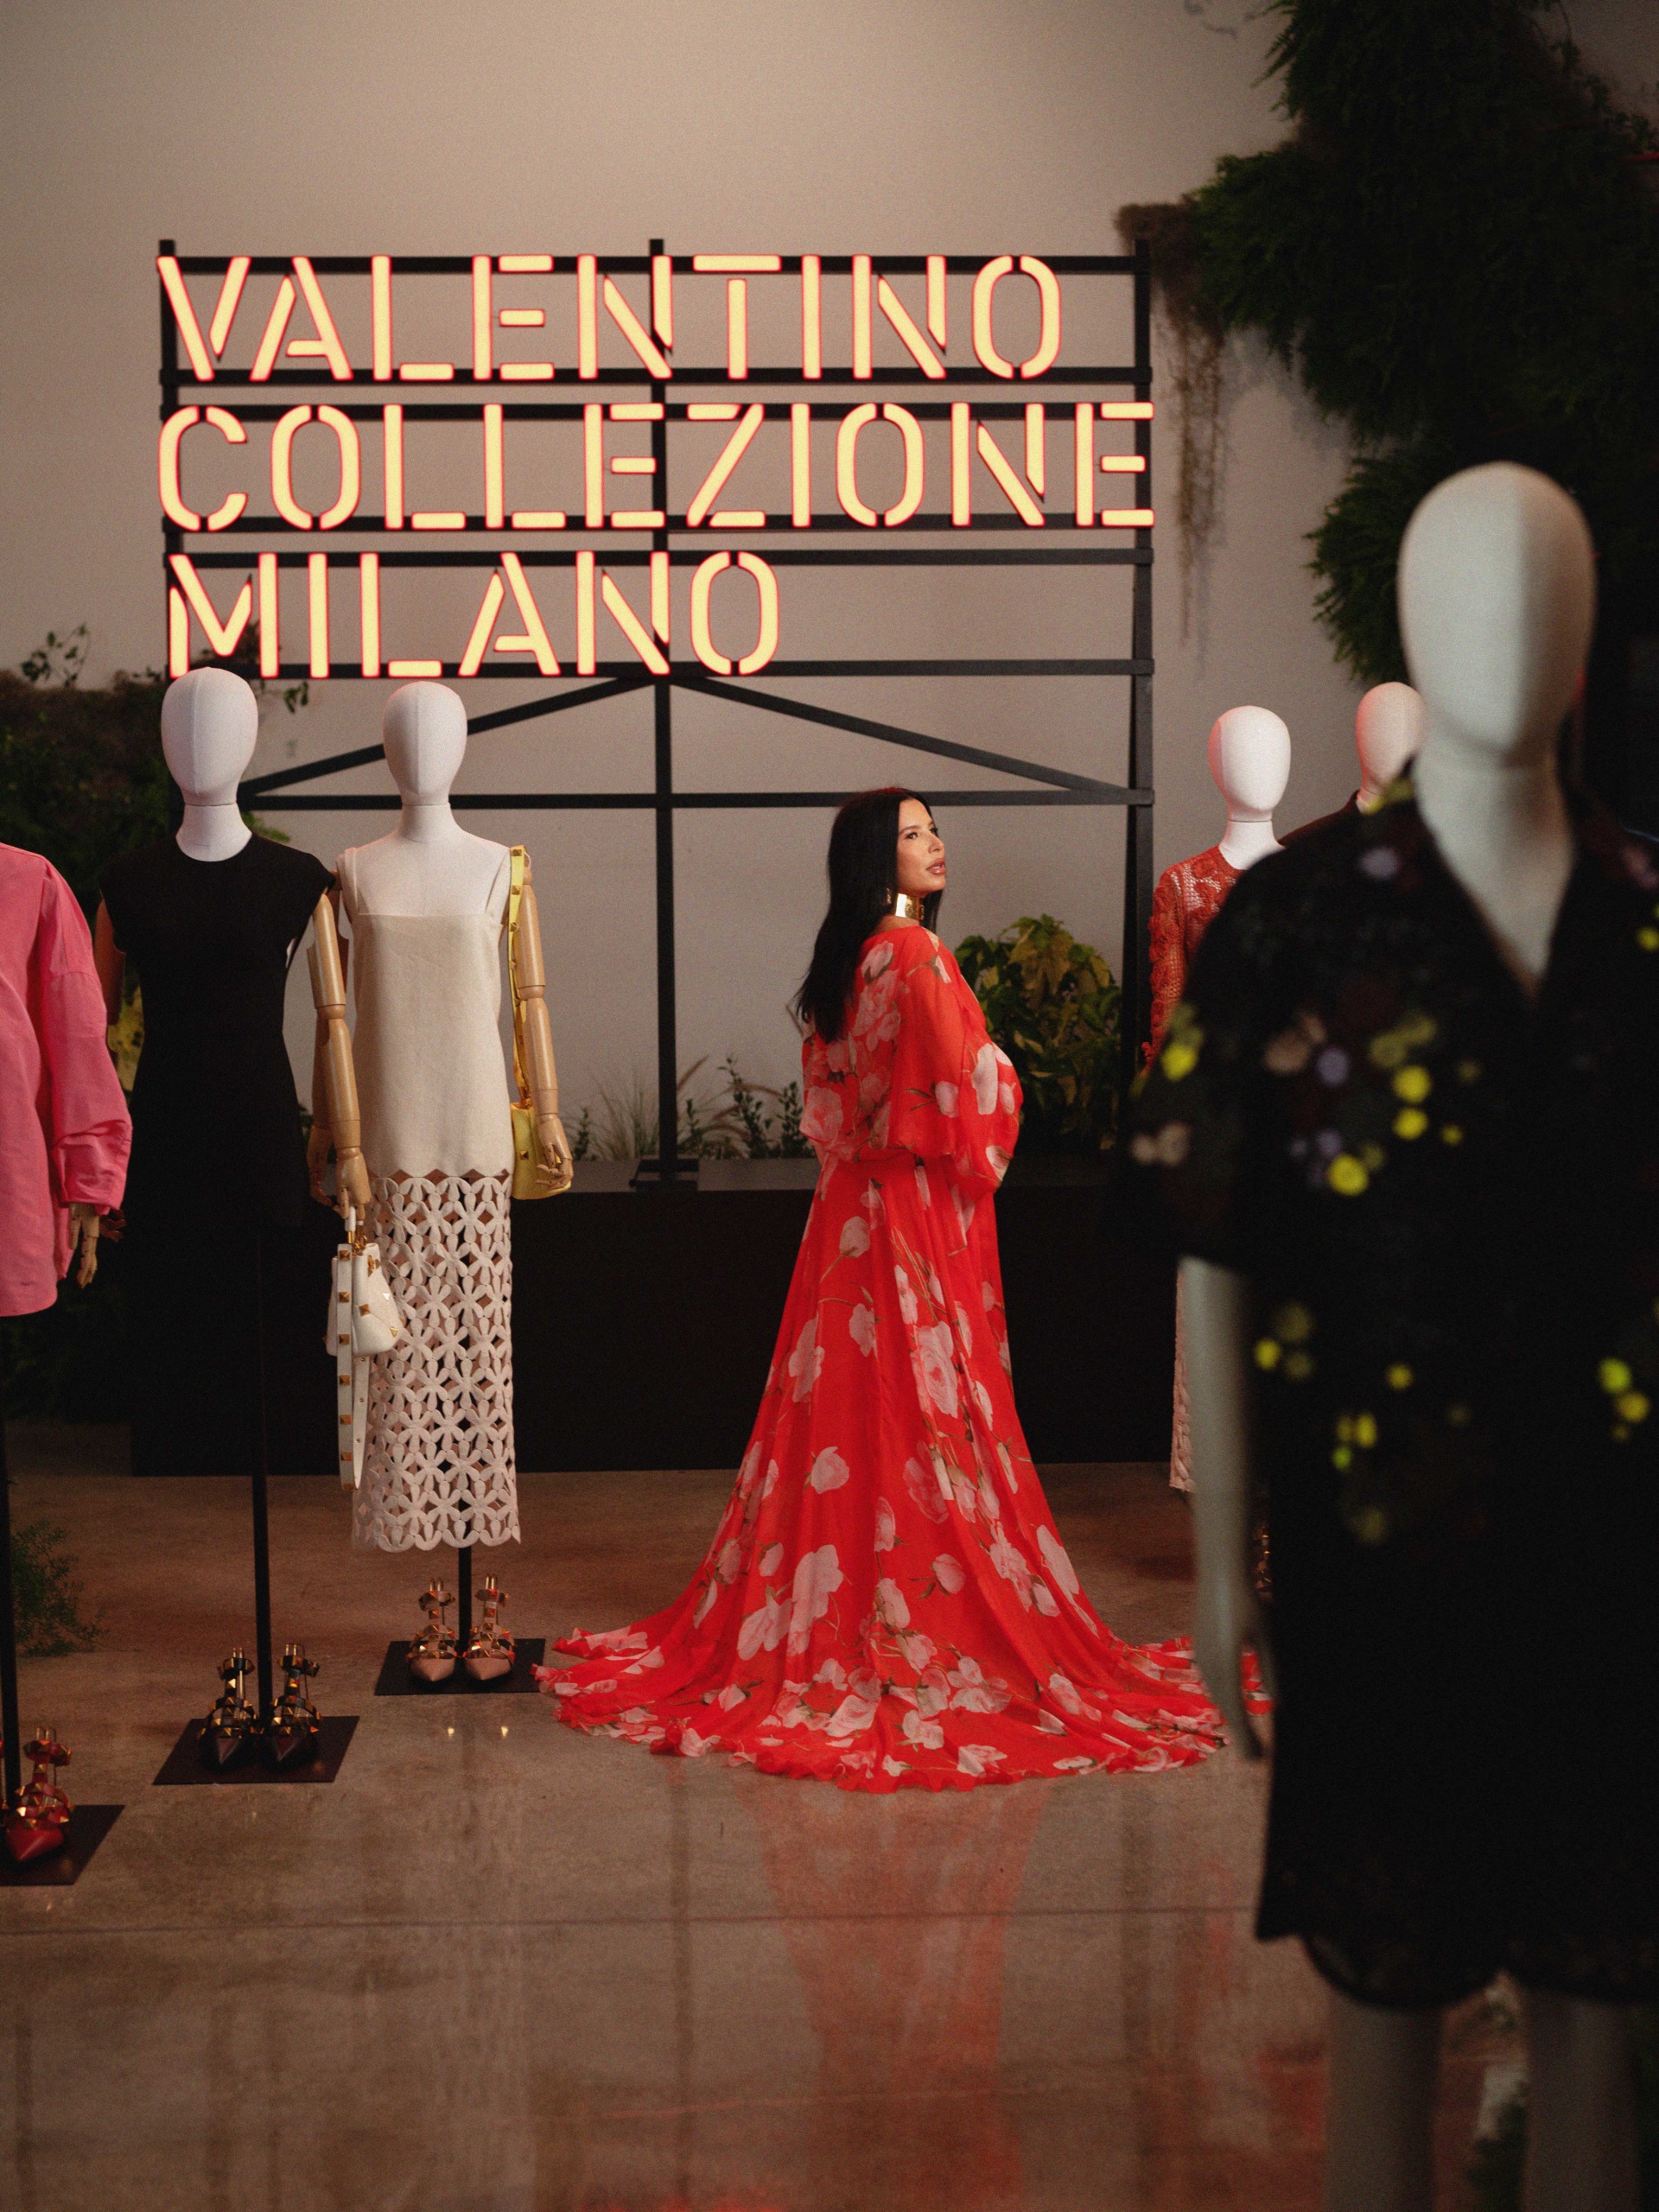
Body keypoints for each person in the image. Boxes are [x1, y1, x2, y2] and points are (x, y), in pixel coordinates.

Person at [538, 788, 1230, 1790]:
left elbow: (827, 1108)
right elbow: (969, 1092)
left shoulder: (845, 964)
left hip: (845, 1221)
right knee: (927, 1415)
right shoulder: (914, 956)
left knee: (845, 1420)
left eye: (935, 827)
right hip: (908, 1218)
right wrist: (999, 1074)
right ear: (875, 855)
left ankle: (839, 1608)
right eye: (911, 834)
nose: (935, 844)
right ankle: (915, 1609)